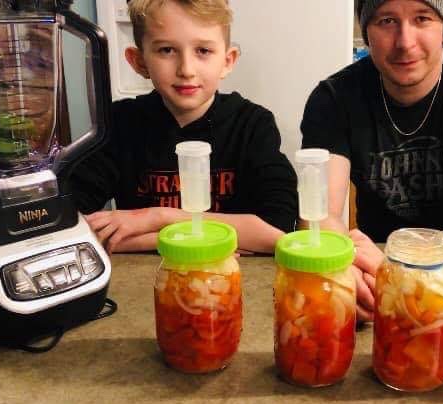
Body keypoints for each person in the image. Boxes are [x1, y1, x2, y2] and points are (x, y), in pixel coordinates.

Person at [300, 0, 443, 321]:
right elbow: (319, 215)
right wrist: (341, 265)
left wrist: (403, 270)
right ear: (367, 32)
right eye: (386, 21)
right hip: (374, 285)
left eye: (422, 19)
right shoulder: (334, 99)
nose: (405, 42)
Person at [70, 0, 297, 254]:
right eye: (167, 50)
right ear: (139, 61)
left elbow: (279, 231)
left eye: (203, 51)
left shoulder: (253, 125)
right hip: (150, 277)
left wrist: (159, 218)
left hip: (234, 280)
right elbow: (69, 225)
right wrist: (211, 240)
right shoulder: (120, 123)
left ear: (227, 60)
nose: (186, 70)